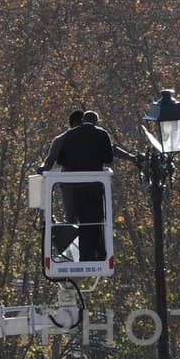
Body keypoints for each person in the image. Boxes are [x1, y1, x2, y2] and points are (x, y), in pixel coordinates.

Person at [40, 110, 117, 262]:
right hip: (94, 187)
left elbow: (54, 160)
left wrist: (42, 169)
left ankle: (80, 255)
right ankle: (94, 255)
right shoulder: (101, 134)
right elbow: (109, 158)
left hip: (72, 190)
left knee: (75, 221)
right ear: (96, 121)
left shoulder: (65, 137)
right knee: (94, 221)